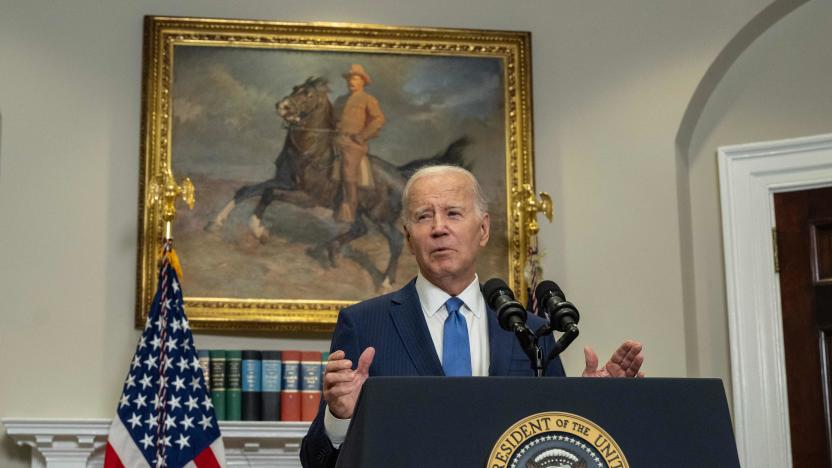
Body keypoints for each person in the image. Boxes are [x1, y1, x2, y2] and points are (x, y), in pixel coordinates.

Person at [300, 165, 644, 468]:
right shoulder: (364, 325)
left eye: (452, 213)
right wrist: (340, 417)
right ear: (407, 236)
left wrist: (593, 402)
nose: (439, 228)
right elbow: (316, 460)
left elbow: (555, 441)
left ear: (482, 230)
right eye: (423, 216)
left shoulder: (531, 330)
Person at [332, 64, 386, 223]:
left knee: (348, 171)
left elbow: (379, 119)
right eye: (349, 78)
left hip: (354, 144)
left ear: (363, 81)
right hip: (336, 140)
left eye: (355, 78)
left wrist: (362, 136)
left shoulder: (368, 99)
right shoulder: (340, 100)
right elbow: (333, 120)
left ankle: (350, 209)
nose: (351, 81)